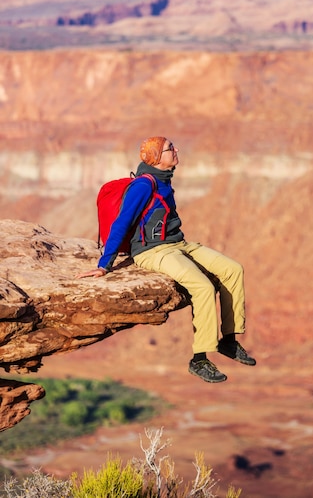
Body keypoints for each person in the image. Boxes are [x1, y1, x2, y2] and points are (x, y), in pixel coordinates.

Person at [77, 136, 256, 383]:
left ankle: (228, 340)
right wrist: (103, 265)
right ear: (156, 157)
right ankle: (200, 358)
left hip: (178, 244)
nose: (176, 150)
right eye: (170, 148)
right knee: (202, 287)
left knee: (233, 269)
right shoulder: (144, 185)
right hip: (152, 251)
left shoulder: (164, 180)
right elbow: (122, 222)